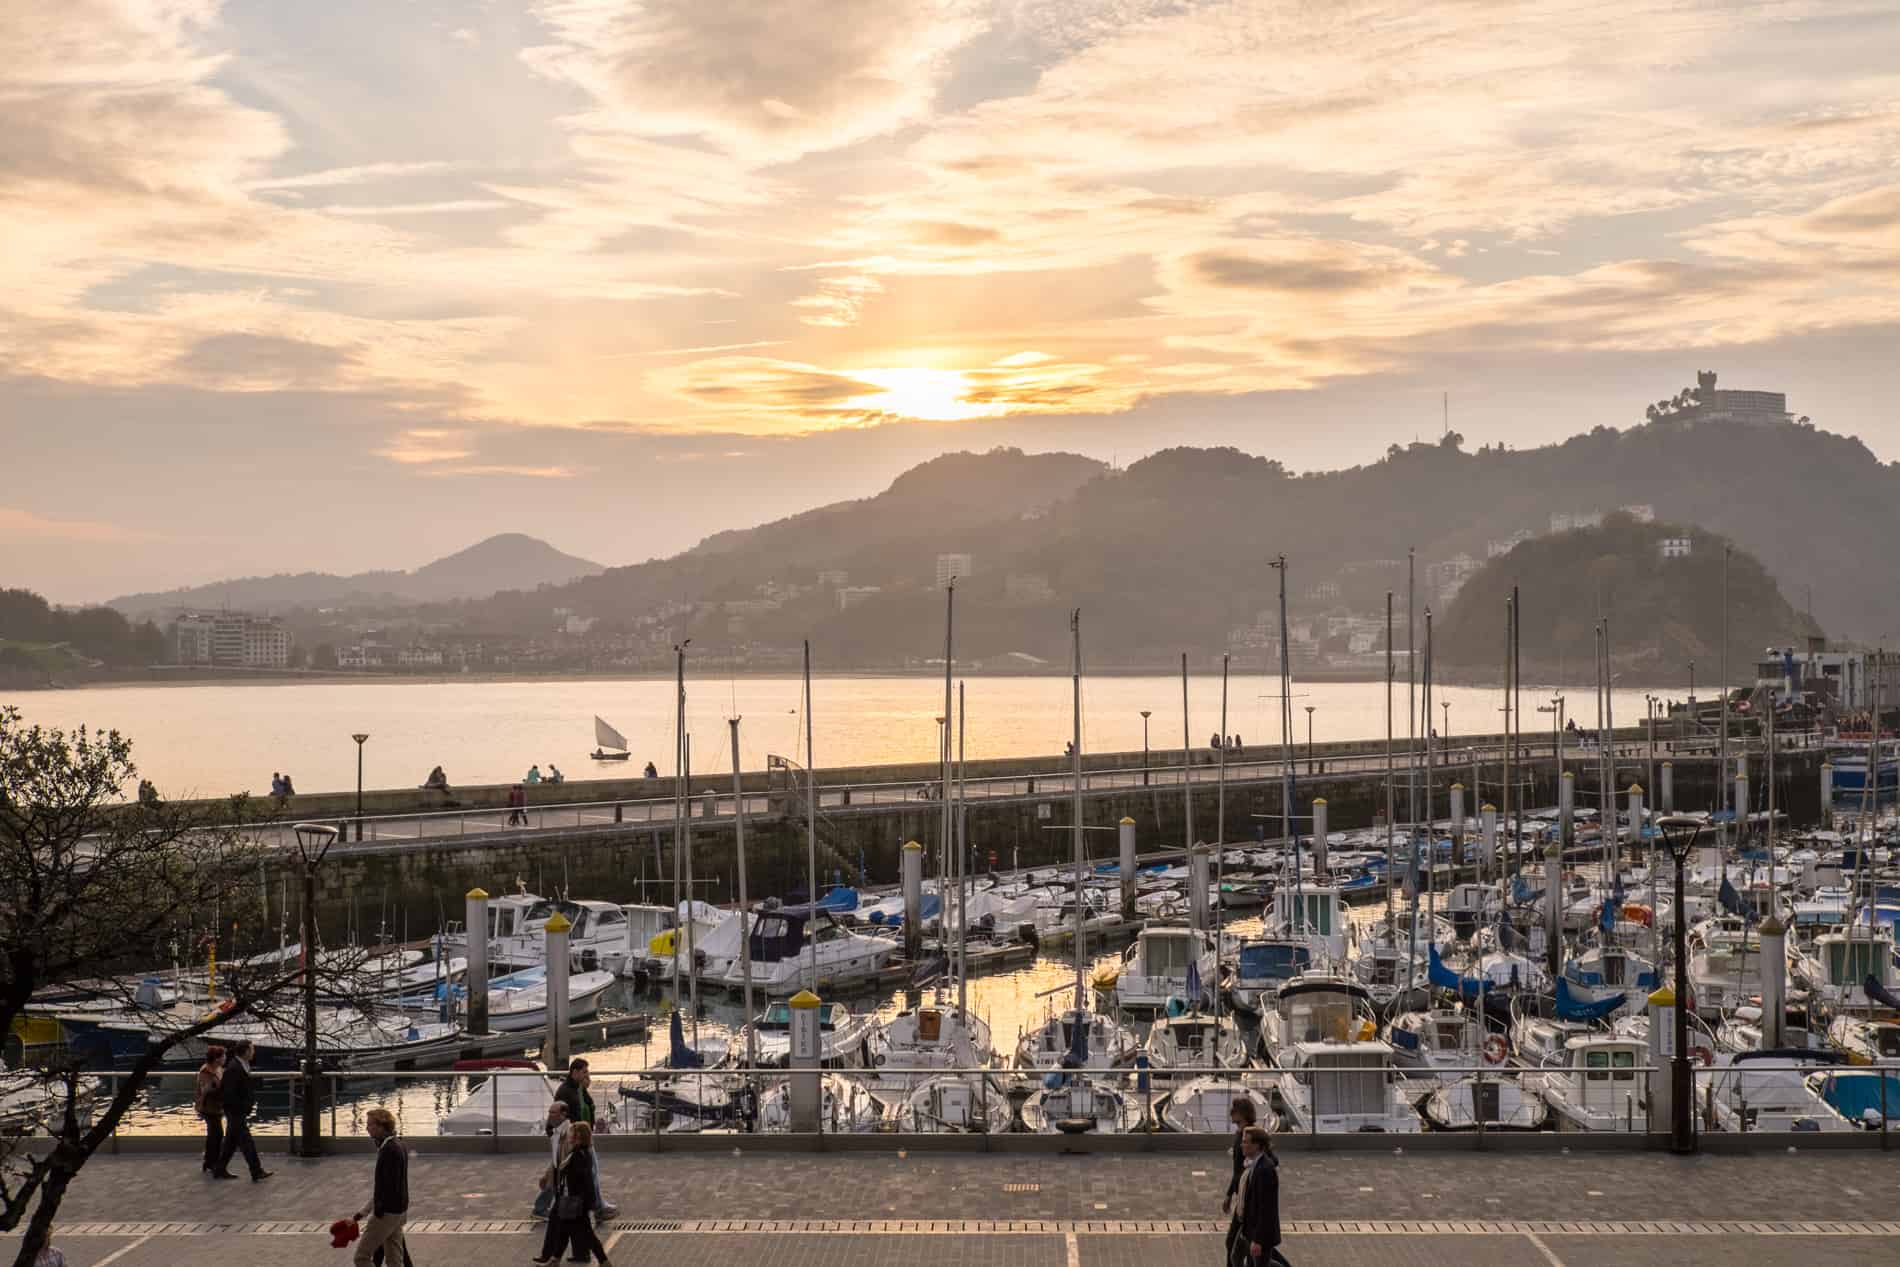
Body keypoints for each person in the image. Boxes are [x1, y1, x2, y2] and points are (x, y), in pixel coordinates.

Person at [533, 1122, 612, 1266]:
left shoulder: (578, 1155)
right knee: (564, 1230)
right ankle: (555, 1260)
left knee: (587, 1234)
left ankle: (604, 1261)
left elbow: (581, 1179)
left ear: (578, 1136)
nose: (569, 1135)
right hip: (574, 1200)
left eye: (571, 1133)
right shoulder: (581, 1152)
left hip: (576, 1202)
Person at [552, 1059, 616, 1219]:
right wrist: (572, 1138)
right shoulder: (565, 1092)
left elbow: (588, 1105)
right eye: (584, 1071)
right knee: (587, 1171)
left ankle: (598, 1206)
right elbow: (561, 1119)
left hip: (584, 1135)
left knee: (586, 1171)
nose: (587, 1074)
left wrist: (585, 1089)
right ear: (575, 1072)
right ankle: (598, 1207)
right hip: (575, 1138)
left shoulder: (578, 1088)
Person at [352, 1107, 408, 1267]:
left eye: (370, 1125)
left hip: (386, 1214)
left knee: (361, 1257)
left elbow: (384, 1189)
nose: (367, 1128)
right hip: (400, 1212)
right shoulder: (399, 1145)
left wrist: (365, 1213)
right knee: (395, 1259)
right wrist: (360, 1214)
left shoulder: (388, 1150)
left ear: (381, 1126)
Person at [211, 1040, 270, 1181]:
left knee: (231, 1141)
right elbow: (229, 1093)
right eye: (252, 1049)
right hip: (235, 1111)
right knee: (246, 1142)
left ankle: (219, 1168)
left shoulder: (241, 1065)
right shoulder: (234, 1068)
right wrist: (241, 1107)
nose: (254, 1052)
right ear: (246, 1052)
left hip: (236, 1111)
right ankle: (256, 1171)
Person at [1231, 1125, 1284, 1267]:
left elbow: (1266, 1209)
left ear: (1256, 1146)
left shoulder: (1265, 1170)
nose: (1242, 1145)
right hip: (1248, 1227)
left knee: (1260, 1263)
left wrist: (1258, 1240)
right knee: (1236, 1256)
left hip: (1260, 1233)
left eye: (1246, 1142)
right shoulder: (1251, 1165)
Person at [532, 1100, 571, 1219]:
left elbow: (567, 1156)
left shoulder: (568, 1132)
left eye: (553, 1112)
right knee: (551, 1187)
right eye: (549, 1112)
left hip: (564, 1170)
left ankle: (541, 1209)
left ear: (563, 1115)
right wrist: (548, 1173)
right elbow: (556, 1156)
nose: (550, 1115)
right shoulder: (555, 1132)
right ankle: (540, 1209)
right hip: (558, 1169)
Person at [194, 1045, 225, 1174]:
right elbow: (205, 1090)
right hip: (208, 1108)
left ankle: (209, 1161)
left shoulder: (219, 1069)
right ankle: (212, 1162)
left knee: (214, 1134)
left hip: (217, 1107)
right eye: (223, 1056)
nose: (225, 1058)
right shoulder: (206, 1071)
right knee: (216, 1134)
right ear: (217, 1058)